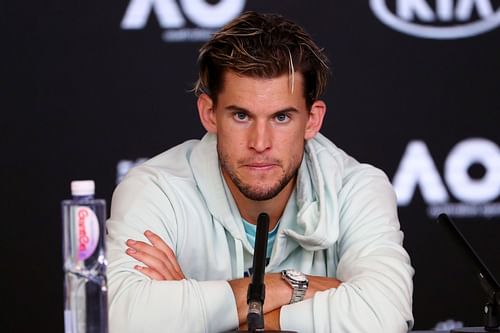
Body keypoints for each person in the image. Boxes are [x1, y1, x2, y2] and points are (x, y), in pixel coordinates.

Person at [106, 11, 414, 333]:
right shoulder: (156, 189)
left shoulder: (356, 188)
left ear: (312, 120)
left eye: (281, 117)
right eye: (241, 116)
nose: (260, 143)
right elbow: (119, 318)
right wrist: (290, 286)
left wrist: (205, 317)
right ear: (210, 114)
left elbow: (384, 316)